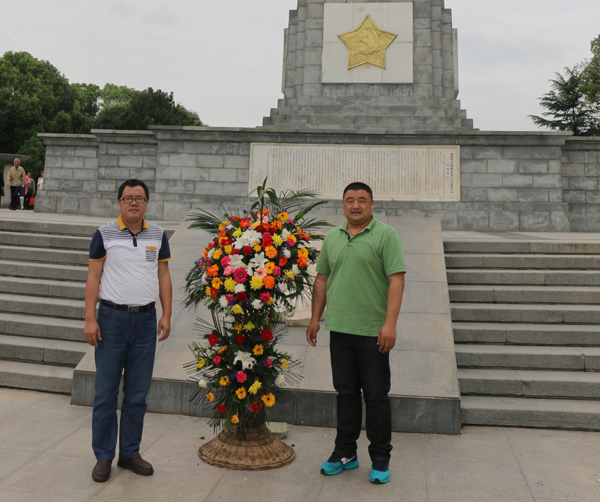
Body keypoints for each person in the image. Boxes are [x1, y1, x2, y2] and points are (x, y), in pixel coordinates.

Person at [306, 182, 406, 485]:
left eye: (362, 200)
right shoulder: (333, 237)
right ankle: (345, 452)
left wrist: (390, 324)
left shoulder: (386, 235)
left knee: (376, 396)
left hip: (373, 332)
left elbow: (397, 280)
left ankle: (380, 458)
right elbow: (322, 279)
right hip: (340, 329)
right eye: (349, 200)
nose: (355, 205)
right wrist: (315, 319)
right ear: (343, 205)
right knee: (346, 394)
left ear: (372, 205)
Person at [84, 179, 173, 483]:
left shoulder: (158, 235)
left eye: (140, 197)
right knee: (106, 393)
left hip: (146, 322)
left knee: (137, 394)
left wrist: (166, 314)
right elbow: (93, 278)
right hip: (111, 320)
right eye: (128, 197)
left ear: (147, 202)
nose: (134, 202)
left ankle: (129, 452)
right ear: (119, 202)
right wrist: (90, 318)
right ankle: (104, 455)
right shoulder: (104, 234)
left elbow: (163, 275)